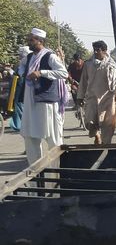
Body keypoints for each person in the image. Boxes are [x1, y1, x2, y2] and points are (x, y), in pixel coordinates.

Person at [19, 28, 68, 164]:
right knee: (30, 136)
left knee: (53, 139)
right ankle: (36, 171)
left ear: (40, 41)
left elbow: (63, 73)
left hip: (46, 102)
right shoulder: (29, 57)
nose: (29, 41)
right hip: (31, 101)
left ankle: (57, 171)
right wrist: (25, 73)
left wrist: (42, 73)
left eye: (31, 39)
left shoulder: (50, 56)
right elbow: (21, 67)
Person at [78, 40, 116, 145]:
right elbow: (83, 81)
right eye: (95, 50)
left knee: (108, 124)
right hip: (92, 97)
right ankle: (96, 135)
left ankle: (106, 145)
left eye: (98, 50)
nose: (96, 52)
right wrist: (80, 96)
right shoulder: (88, 64)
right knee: (90, 122)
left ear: (104, 51)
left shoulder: (112, 65)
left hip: (108, 98)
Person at [8, 46, 29, 132]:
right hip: (17, 88)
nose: (19, 56)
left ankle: (20, 125)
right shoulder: (20, 64)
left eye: (20, 54)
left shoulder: (27, 64)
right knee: (17, 105)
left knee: (19, 106)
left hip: (22, 88)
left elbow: (21, 76)